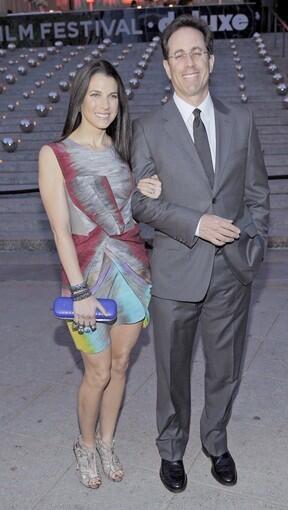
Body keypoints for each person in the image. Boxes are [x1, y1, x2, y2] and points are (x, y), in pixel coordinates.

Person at [131, 14, 270, 493]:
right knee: (171, 372)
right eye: (178, 55)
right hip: (174, 274)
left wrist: (257, 243)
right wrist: (195, 223)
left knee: (225, 368)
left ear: (210, 61)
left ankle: (215, 440)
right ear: (167, 69)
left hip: (232, 270)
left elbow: (257, 191)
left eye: (196, 52)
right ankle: (172, 450)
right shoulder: (147, 127)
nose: (188, 62)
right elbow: (141, 202)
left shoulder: (242, 119)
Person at [38, 59, 161, 490]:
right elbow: (59, 229)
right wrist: (79, 291)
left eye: (112, 96)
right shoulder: (54, 154)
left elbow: (129, 214)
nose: (105, 104)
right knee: (98, 372)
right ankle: (86, 445)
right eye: (96, 94)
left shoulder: (124, 151)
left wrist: (147, 191)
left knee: (122, 364)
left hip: (133, 272)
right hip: (88, 277)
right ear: (79, 98)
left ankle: (108, 442)